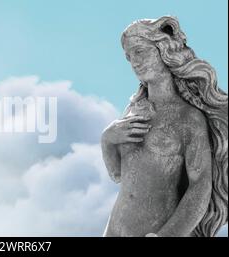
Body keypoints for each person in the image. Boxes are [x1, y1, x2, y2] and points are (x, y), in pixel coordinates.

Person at [101, 16, 228, 237]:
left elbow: (200, 187)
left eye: (140, 52)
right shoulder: (134, 109)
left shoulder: (188, 118)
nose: (134, 62)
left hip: (156, 230)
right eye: (129, 57)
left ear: (163, 49)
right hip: (113, 230)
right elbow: (118, 174)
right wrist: (107, 140)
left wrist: (168, 235)